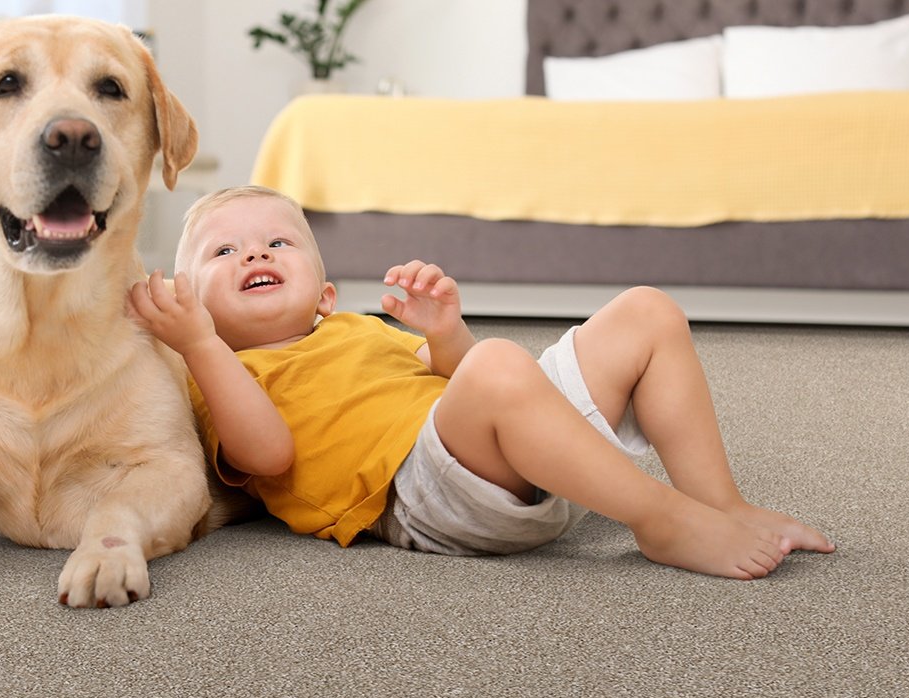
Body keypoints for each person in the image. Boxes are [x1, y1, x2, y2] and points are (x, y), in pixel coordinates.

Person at [127, 185, 832, 579]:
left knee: (646, 311)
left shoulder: (356, 330)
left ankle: (720, 503)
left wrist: (443, 334)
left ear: (326, 296)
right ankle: (662, 520)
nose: (255, 250)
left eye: (278, 242)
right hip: (425, 494)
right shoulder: (223, 372)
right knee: (498, 364)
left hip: (525, 456)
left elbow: (472, 388)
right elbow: (268, 457)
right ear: (197, 312)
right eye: (224, 251)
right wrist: (199, 346)